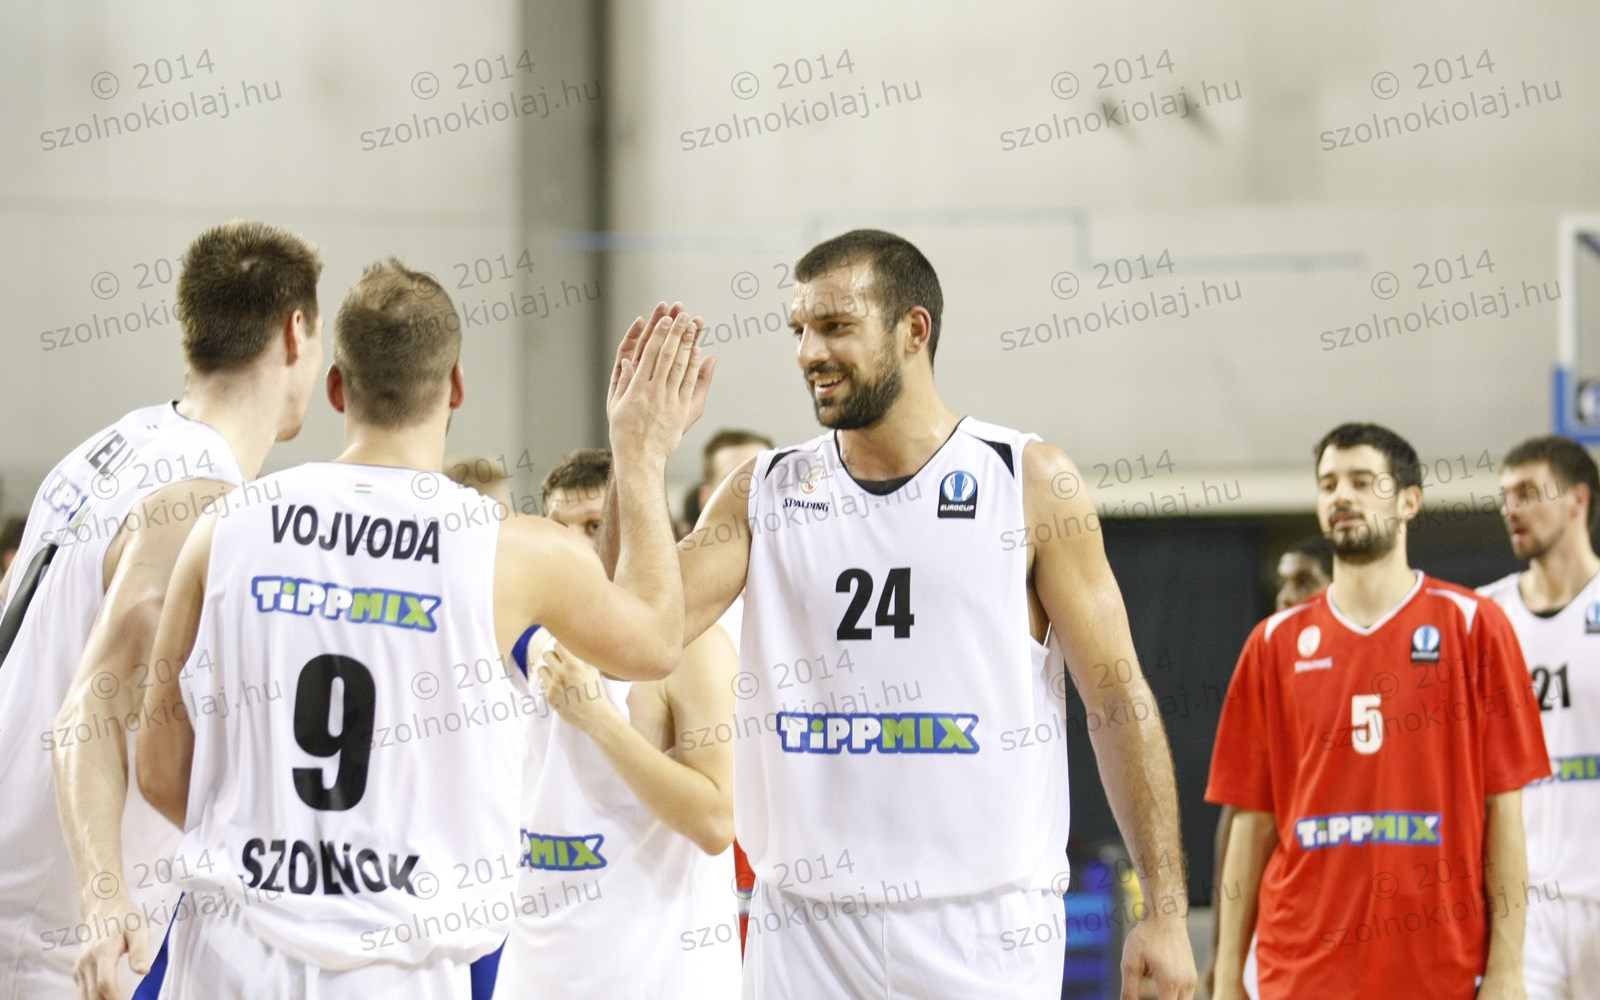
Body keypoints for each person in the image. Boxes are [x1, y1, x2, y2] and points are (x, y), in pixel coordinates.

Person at [601, 230, 1195, 998]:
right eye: (799, 330)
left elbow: (1116, 697)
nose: (809, 352)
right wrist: (636, 456)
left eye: (836, 326)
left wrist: (1166, 911)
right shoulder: (764, 490)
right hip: (805, 930)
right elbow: (627, 638)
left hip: (983, 927)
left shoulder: (1026, 480)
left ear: (914, 330)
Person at [131, 277, 707, 996]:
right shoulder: (515, 549)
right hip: (401, 967)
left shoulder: (225, 525)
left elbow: (158, 770)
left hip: (231, 954)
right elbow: (656, 642)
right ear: (456, 386)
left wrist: (275, 852)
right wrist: (640, 454)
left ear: (337, 387)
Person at [0, 220, 324, 1000]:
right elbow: (89, 711)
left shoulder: (106, 447)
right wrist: (104, 896)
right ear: (295, 332)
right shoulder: (199, 497)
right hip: (51, 942)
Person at [1206, 422, 1550, 999]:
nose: (1341, 496)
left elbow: (1505, 814)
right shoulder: (1272, 644)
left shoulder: (1475, 627)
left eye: (1363, 482)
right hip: (1300, 970)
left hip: (1438, 968)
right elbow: (1250, 824)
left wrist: (1508, 970)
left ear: (1409, 501)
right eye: (1329, 484)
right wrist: (1225, 975)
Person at [495, 448, 739, 999]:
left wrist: (599, 719)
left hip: (654, 978)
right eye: (557, 528)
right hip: (535, 971)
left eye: (592, 526)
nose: (571, 546)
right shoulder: (522, 640)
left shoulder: (695, 649)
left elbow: (715, 821)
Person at [1479, 435, 1600, 998]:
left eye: (1528, 492)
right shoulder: (1484, 616)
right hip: (1525, 903)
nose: (1512, 508)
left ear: (1578, 499)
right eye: (1506, 495)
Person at [1202, 535, 1333, 996]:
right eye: (1283, 583)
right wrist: (1221, 956)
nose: (1286, 597)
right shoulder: (1270, 658)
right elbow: (1239, 819)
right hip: (1289, 932)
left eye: (1304, 582)